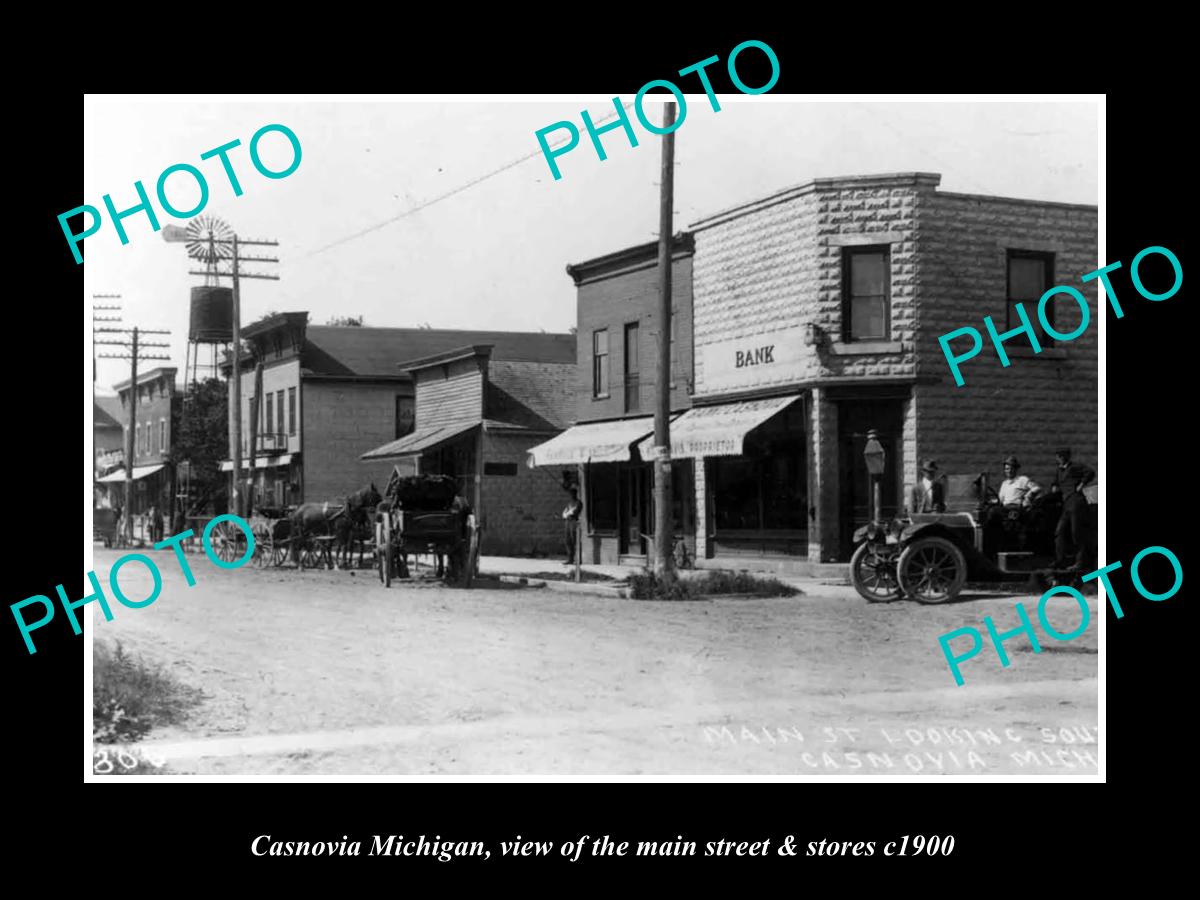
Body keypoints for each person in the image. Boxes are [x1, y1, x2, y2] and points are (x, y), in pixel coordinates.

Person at [1050, 447, 1096, 571]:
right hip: (1066, 504)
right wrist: (1054, 487)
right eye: (1058, 456)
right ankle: (1060, 560)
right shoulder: (1059, 471)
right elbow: (1055, 483)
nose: (1059, 458)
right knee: (1059, 532)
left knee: (1076, 533)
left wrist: (1081, 484)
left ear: (1067, 456)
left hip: (1076, 502)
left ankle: (1080, 562)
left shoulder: (1075, 467)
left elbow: (1090, 472)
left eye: (1061, 456)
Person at [562, 487, 583, 564]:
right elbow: (565, 512)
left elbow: (574, 512)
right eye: (570, 494)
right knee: (568, 540)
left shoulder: (578, 502)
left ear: (575, 494)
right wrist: (566, 514)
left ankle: (578, 559)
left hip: (574, 522)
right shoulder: (570, 503)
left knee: (575, 540)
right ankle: (570, 558)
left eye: (572, 494)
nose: (571, 495)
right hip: (567, 522)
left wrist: (568, 513)